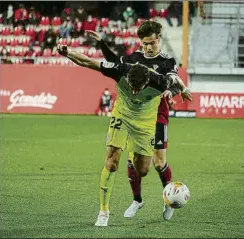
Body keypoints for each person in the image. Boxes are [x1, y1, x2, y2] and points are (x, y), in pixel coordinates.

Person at [56, 43, 191, 227]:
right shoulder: (120, 70)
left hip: (145, 122)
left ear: (147, 82)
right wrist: (68, 52)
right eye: (132, 86)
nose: (135, 91)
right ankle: (104, 211)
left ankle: (132, 153)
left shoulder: (160, 80)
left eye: (140, 88)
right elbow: (89, 62)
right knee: (111, 162)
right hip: (122, 115)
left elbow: (176, 80)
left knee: (143, 170)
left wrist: (183, 90)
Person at [85, 20, 191, 221]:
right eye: (145, 44)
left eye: (152, 43)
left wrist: (172, 91)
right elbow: (115, 62)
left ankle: (168, 200)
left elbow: (174, 81)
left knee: (159, 162)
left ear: (158, 39)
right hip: (134, 112)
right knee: (132, 161)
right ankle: (137, 200)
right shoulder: (134, 57)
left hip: (158, 112)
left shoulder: (168, 61)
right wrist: (101, 44)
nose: (149, 47)